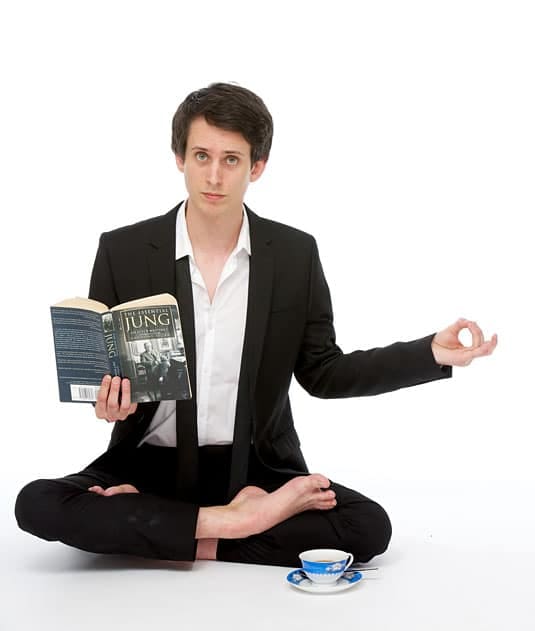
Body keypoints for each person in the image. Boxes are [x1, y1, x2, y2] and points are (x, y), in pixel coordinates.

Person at [15, 83, 497, 567]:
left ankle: (169, 531)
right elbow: (107, 377)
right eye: (201, 156)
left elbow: (324, 373)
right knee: (36, 503)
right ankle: (233, 525)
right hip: (148, 467)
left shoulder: (294, 255)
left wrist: (429, 353)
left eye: (231, 160)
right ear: (179, 158)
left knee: (367, 526)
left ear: (257, 166)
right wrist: (109, 404)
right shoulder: (121, 250)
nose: (214, 176)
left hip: (255, 471)